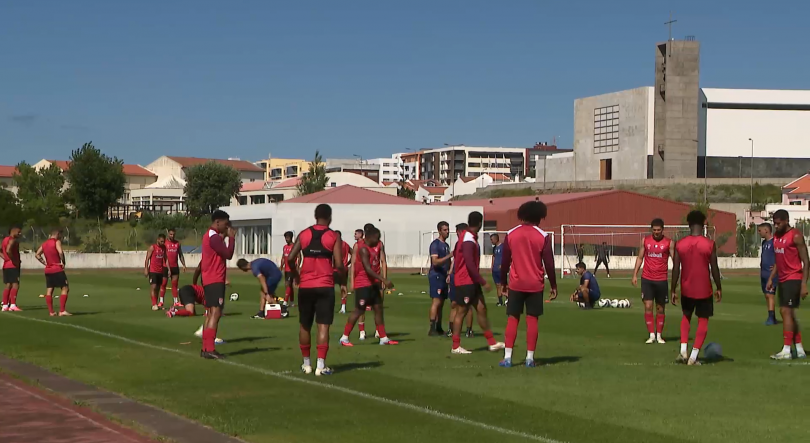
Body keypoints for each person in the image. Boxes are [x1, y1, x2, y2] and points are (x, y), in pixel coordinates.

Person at [286, 204, 344, 376]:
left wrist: (296, 275)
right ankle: (321, 365)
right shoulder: (333, 236)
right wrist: (341, 279)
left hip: (306, 286)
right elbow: (339, 264)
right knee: (323, 326)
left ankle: (306, 364)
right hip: (325, 286)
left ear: (315, 216)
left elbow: (290, 258)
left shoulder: (304, 234)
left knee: (305, 325)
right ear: (330, 217)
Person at [499, 201, 557, 368]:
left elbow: (504, 262)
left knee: (513, 319)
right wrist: (553, 285)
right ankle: (530, 358)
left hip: (516, 284)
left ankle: (508, 358)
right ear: (539, 216)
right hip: (535, 284)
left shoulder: (511, 234)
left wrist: (503, 283)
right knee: (532, 320)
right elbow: (549, 263)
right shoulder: (543, 236)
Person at [671, 210, 722, 366]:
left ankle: (683, 350)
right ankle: (693, 357)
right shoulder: (709, 244)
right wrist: (719, 287)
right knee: (703, 320)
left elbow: (675, 268)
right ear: (704, 223)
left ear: (688, 224)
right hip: (704, 289)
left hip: (686, 288)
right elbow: (714, 267)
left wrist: (673, 289)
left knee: (686, 317)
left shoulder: (680, 244)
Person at [450, 211, 504, 355]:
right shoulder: (468, 238)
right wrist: (483, 281)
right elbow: (468, 263)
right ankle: (455, 346)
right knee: (461, 312)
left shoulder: (469, 237)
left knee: (481, 309)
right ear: (480, 223)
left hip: (470, 281)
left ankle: (491, 342)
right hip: (465, 281)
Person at [340, 227, 397, 346]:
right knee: (359, 310)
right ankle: (344, 337)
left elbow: (381, 261)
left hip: (374, 283)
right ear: (369, 237)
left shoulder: (377, 245)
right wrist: (384, 279)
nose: (378, 241)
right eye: (376, 238)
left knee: (378, 309)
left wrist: (380, 280)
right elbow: (367, 269)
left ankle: (383, 338)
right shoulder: (363, 248)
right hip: (363, 283)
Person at [766, 209, 809, 360]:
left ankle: (786, 350)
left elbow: (806, 261)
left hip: (794, 278)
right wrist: (772, 278)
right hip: (782, 279)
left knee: (785, 311)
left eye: (778, 223)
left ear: (786, 221)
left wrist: (804, 284)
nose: (776, 226)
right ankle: (799, 348)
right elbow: (779, 259)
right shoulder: (777, 237)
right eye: (774, 223)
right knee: (788, 313)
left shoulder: (796, 236)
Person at [199, 210, 235, 359]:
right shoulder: (213, 237)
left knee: (211, 312)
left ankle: (206, 347)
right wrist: (231, 239)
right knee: (216, 312)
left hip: (210, 279)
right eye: (225, 225)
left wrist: (225, 236)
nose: (226, 228)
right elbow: (228, 254)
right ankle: (210, 349)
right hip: (215, 279)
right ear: (217, 222)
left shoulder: (211, 236)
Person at [632, 218, 672, 344]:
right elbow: (640, 258)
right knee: (648, 306)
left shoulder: (669, 243)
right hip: (647, 279)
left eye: (658, 230)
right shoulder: (645, 241)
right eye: (654, 230)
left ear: (662, 230)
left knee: (660, 308)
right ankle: (651, 335)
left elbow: (675, 260)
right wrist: (634, 275)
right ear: (651, 230)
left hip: (661, 280)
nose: (656, 232)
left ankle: (659, 335)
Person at [446, 223, 474, 338]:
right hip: (455, 277)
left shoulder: (469, 243)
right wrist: (450, 272)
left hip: (465, 278)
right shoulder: (459, 243)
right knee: (454, 304)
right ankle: (451, 330)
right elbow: (455, 259)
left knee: (467, 305)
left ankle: (468, 330)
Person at [35, 228, 70, 316]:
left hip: (48, 269)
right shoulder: (56, 242)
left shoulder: (45, 243)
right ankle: (62, 311)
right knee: (65, 288)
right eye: (60, 235)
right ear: (57, 234)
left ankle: (51, 312)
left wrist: (44, 263)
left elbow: (37, 255)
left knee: (49, 290)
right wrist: (63, 262)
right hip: (57, 268)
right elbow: (60, 252)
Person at [428, 221, 452, 336]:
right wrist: (449, 256)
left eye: (448, 230)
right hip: (436, 275)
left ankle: (438, 326)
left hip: (443, 276)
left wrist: (449, 273)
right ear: (439, 231)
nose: (447, 232)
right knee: (436, 301)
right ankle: (432, 327)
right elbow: (435, 262)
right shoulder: (435, 245)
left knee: (442, 302)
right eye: (445, 230)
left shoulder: (446, 245)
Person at [758, 223, 779, 326]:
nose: (759, 232)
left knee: (769, 294)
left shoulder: (775, 242)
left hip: (771, 274)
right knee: (766, 295)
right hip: (764, 272)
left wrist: (776, 266)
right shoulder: (764, 243)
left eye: (760, 230)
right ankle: (772, 317)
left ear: (766, 230)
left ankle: (771, 318)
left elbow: (779, 256)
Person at [161, 228, 187, 307]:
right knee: (164, 284)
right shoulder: (165, 243)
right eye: (171, 234)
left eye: (173, 234)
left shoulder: (177, 243)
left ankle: (175, 301)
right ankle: (161, 301)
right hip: (165, 267)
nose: (172, 236)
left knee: (174, 284)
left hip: (175, 266)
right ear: (168, 234)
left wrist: (184, 264)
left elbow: (180, 254)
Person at [144, 234, 170, 311]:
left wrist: (169, 269)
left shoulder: (164, 248)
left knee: (158, 288)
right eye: (161, 241)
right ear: (158, 240)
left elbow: (166, 259)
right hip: (153, 270)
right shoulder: (153, 247)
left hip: (160, 270)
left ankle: (156, 303)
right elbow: (147, 258)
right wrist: (146, 269)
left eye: (163, 241)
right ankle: (154, 304)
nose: (162, 243)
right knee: (153, 286)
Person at [1, 225, 22, 312]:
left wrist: (5, 258)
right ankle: (13, 305)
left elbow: (1, 250)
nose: (20, 234)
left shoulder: (4, 240)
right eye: (19, 232)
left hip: (6, 265)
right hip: (12, 266)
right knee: (15, 284)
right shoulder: (12, 240)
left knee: (8, 285)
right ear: (13, 231)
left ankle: (5, 305)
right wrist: (14, 260)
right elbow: (8, 250)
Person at [335, 231, 351, 314]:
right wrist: (348, 263)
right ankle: (343, 307)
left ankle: (343, 307)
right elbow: (353, 253)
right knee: (343, 287)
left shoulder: (334, 245)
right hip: (343, 269)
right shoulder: (345, 244)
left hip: (335, 270)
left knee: (340, 287)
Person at [281, 231, 298, 306]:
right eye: (285, 238)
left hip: (292, 269)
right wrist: (281, 266)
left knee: (288, 284)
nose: (286, 239)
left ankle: (285, 301)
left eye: (287, 237)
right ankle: (291, 302)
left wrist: (297, 267)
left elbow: (299, 256)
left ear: (291, 238)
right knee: (289, 285)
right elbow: (283, 257)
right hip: (286, 269)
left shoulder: (294, 246)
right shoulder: (284, 247)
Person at [491, 233, 506, 307]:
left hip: (501, 270)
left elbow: (507, 257)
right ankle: (500, 301)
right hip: (495, 269)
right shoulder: (494, 248)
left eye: (492, 239)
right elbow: (493, 257)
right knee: (497, 285)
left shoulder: (503, 247)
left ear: (496, 239)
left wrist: (503, 265)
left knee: (504, 285)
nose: (491, 241)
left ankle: (507, 300)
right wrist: (492, 266)